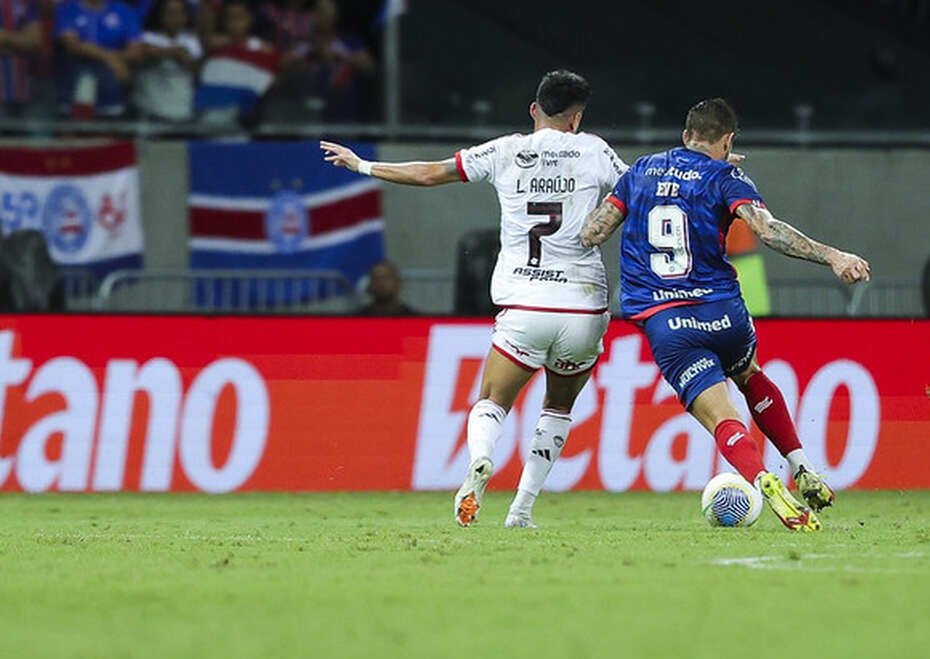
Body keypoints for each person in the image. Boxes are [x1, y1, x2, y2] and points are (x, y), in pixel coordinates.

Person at [321, 70, 628, 529]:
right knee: (558, 408)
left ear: (533, 110)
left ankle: (481, 461)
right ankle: (522, 510)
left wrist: (363, 165)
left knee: (491, 400)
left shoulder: (505, 151)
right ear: (577, 118)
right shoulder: (595, 151)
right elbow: (644, 191)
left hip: (525, 305)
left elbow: (429, 173)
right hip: (583, 306)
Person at [580, 98, 870, 532]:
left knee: (722, 416)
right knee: (750, 374)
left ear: (684, 135)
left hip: (668, 321)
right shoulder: (726, 176)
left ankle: (762, 479)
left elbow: (593, 232)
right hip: (723, 313)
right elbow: (768, 231)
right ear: (728, 139)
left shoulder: (639, 171)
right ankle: (802, 465)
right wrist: (833, 256)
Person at [54, 0, 141, 118]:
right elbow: (72, 46)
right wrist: (111, 59)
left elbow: (136, 51)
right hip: (73, 103)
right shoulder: (66, 9)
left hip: (114, 102)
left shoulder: (125, 11)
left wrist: (108, 57)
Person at [133, 0, 200, 121]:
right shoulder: (148, 37)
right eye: (170, 12)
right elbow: (144, 52)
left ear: (186, 16)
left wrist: (189, 61)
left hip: (183, 113)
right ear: (160, 15)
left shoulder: (192, 41)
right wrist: (175, 53)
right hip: (152, 111)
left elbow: (198, 70)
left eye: (180, 13)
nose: (175, 18)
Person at [0, 0, 42, 112]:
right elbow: (25, 40)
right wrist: (18, 40)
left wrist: (3, 38)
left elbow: (35, 41)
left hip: (21, 92)